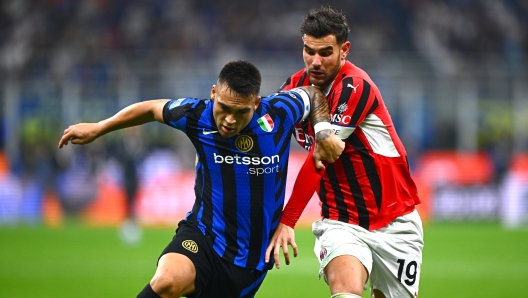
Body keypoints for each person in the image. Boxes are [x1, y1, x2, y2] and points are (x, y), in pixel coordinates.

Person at [57, 60, 344, 298]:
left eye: (240, 112)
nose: (229, 119)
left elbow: (313, 95)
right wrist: (100, 127)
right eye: (224, 108)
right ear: (213, 93)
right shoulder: (196, 115)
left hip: (251, 258)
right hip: (204, 235)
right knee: (167, 281)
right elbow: (151, 109)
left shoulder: (279, 112)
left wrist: (323, 131)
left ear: (256, 103)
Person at [265, 7, 424, 298]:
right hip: (341, 221)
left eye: (325, 52)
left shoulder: (355, 86)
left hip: (395, 220)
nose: (315, 61)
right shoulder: (293, 89)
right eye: (308, 51)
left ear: (344, 50)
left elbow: (321, 157)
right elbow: (264, 132)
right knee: (346, 292)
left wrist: (288, 220)